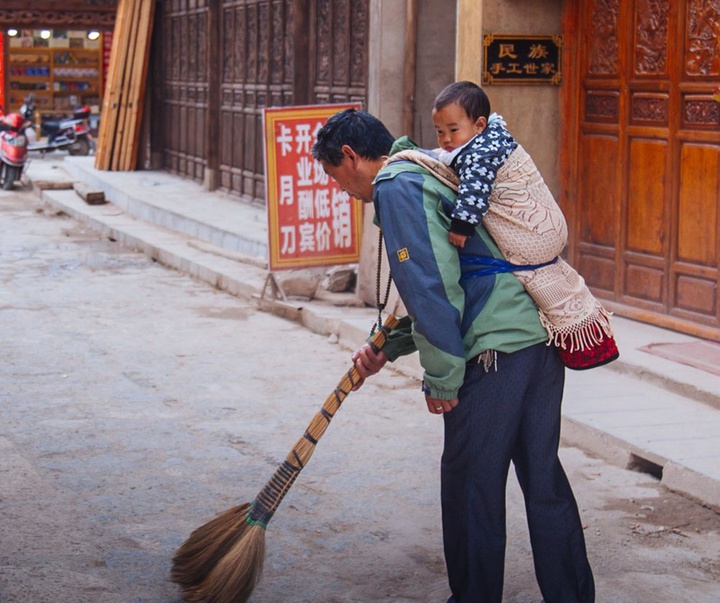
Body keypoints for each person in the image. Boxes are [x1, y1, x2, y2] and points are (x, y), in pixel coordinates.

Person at [312, 107, 595, 603]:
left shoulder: (396, 186)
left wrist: (441, 378)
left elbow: (433, 287)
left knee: (471, 485)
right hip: (536, 337)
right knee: (543, 477)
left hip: (492, 353)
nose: (342, 190)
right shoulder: (422, 165)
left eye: (337, 178)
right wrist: (388, 346)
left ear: (352, 157)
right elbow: (459, 269)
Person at [388, 81, 618, 370]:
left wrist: (461, 226)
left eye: (453, 130)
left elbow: (475, 191)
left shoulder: (481, 154)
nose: (445, 139)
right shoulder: (485, 141)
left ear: (479, 125)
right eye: (439, 131)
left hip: (536, 233)